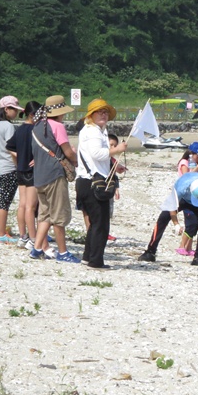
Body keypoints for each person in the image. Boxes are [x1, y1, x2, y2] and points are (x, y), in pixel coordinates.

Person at [75, 99, 127, 269]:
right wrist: (117, 150)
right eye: (100, 112)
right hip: (92, 182)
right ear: (91, 115)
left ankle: (88, 256)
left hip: (87, 180)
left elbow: (96, 157)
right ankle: (95, 261)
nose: (103, 115)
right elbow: (97, 153)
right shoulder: (92, 131)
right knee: (101, 224)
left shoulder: (97, 131)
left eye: (105, 112)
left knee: (95, 222)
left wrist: (114, 164)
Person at [30, 95, 79, 263]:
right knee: (59, 214)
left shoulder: (37, 126)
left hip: (39, 176)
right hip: (54, 174)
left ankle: (37, 248)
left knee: (44, 214)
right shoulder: (57, 126)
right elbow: (67, 151)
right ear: (60, 112)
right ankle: (63, 252)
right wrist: (75, 160)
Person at [139, 172, 198, 267]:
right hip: (182, 199)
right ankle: (150, 251)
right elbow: (172, 207)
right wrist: (176, 224)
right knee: (163, 218)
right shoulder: (182, 187)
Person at [6, 100, 44, 249]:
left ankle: (23, 236)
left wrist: (19, 158)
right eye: (40, 115)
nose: (42, 118)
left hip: (20, 169)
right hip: (31, 171)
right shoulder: (35, 130)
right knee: (31, 206)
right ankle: (33, 238)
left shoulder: (20, 129)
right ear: (32, 114)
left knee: (22, 204)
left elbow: (9, 147)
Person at [0, 96, 23, 243]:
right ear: (6, 109)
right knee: (5, 202)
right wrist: (18, 165)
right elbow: (12, 148)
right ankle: (1, 234)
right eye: (13, 109)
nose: (15, 113)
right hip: (8, 166)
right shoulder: (8, 126)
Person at [175, 142, 198, 256]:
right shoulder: (185, 163)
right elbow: (186, 178)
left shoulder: (193, 163)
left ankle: (188, 247)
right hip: (185, 196)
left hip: (194, 195)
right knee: (190, 222)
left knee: (195, 222)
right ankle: (182, 246)